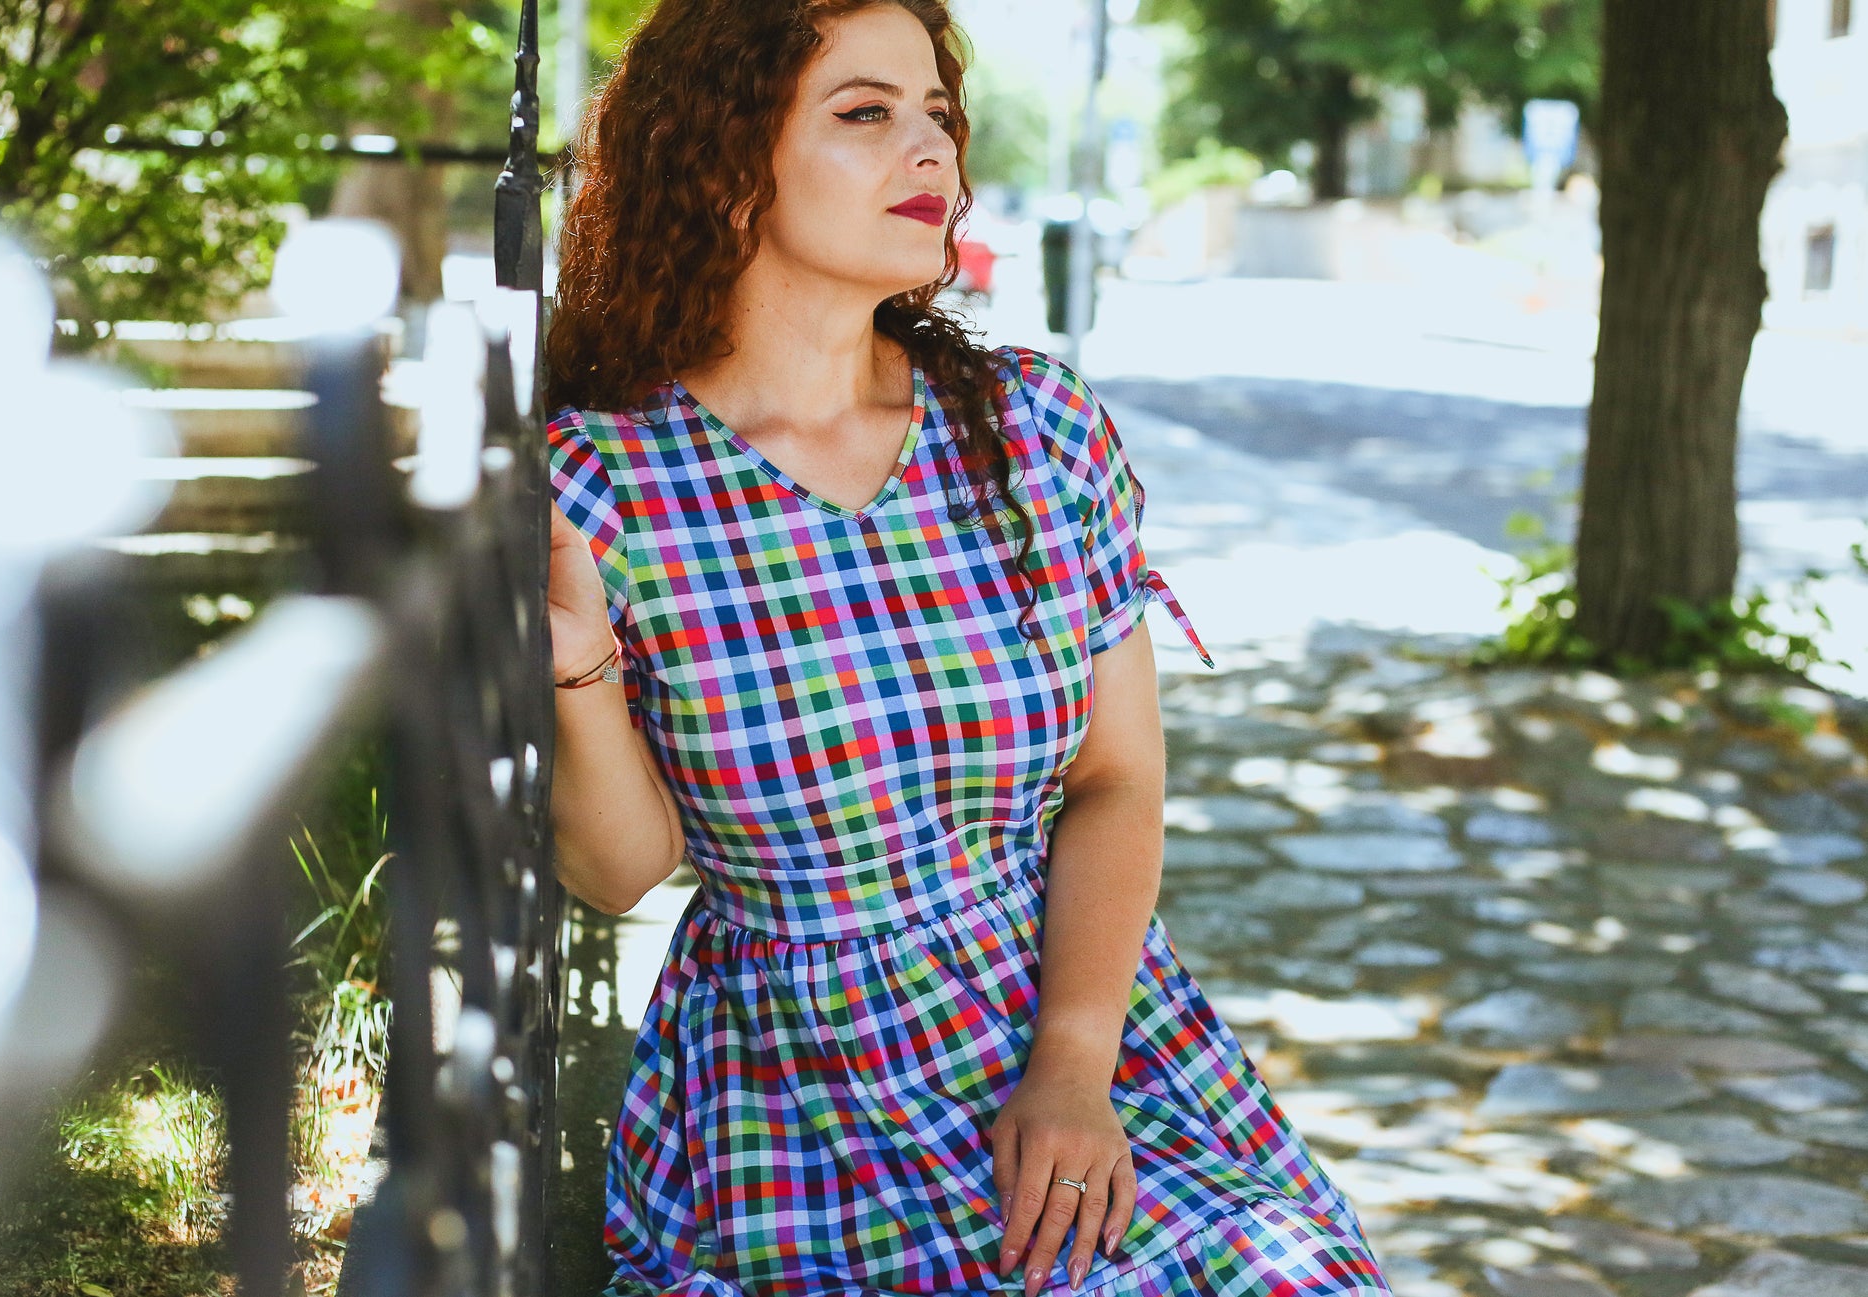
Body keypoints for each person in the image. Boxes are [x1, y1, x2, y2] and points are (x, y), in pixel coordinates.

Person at [541, 2, 1392, 1293]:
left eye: (936, 112)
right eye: (865, 114)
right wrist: (570, 669)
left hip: (1076, 1032)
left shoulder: (1033, 431)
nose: (929, 151)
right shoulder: (603, 482)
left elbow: (1114, 776)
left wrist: (1069, 1063)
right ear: (719, 157)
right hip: (802, 1093)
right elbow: (619, 872)